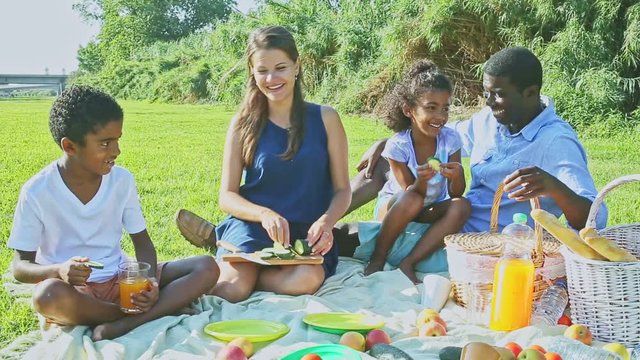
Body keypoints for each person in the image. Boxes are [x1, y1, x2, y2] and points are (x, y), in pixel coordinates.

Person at [339, 47, 607, 257]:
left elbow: (596, 218)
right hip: (443, 216)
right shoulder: (490, 120)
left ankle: (327, 236)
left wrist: (553, 187)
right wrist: (388, 142)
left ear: (531, 92)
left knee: (348, 240)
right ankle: (323, 217)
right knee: (385, 163)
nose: (489, 102)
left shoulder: (555, 141)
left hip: (479, 243)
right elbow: (436, 134)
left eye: (498, 94)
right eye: (487, 93)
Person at [7, 86, 219, 341]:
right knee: (48, 296)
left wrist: (148, 282)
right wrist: (59, 270)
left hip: (122, 280)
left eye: (118, 139)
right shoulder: (37, 191)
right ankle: (139, 315)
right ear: (70, 146)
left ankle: (127, 320)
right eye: (105, 143)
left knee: (206, 266)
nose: (116, 150)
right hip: (76, 292)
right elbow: (20, 267)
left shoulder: (121, 180)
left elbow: (143, 244)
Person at [175, 25, 351, 303]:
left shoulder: (326, 118)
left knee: (307, 280)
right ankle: (233, 256)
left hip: (308, 232)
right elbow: (227, 196)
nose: (271, 78)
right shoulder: (243, 123)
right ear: (252, 71)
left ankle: (245, 264)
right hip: (254, 226)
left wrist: (327, 223)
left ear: (297, 66)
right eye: (262, 70)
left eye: (280, 67)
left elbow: (343, 189)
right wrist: (265, 214)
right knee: (233, 289)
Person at [362, 60, 470, 283]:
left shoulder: (450, 139)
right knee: (411, 198)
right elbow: (411, 192)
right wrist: (422, 180)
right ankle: (378, 257)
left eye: (445, 108)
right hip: (396, 206)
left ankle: (408, 263)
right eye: (431, 107)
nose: (440, 116)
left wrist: (458, 174)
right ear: (408, 110)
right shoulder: (398, 146)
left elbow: (456, 192)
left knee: (462, 205)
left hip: (427, 208)